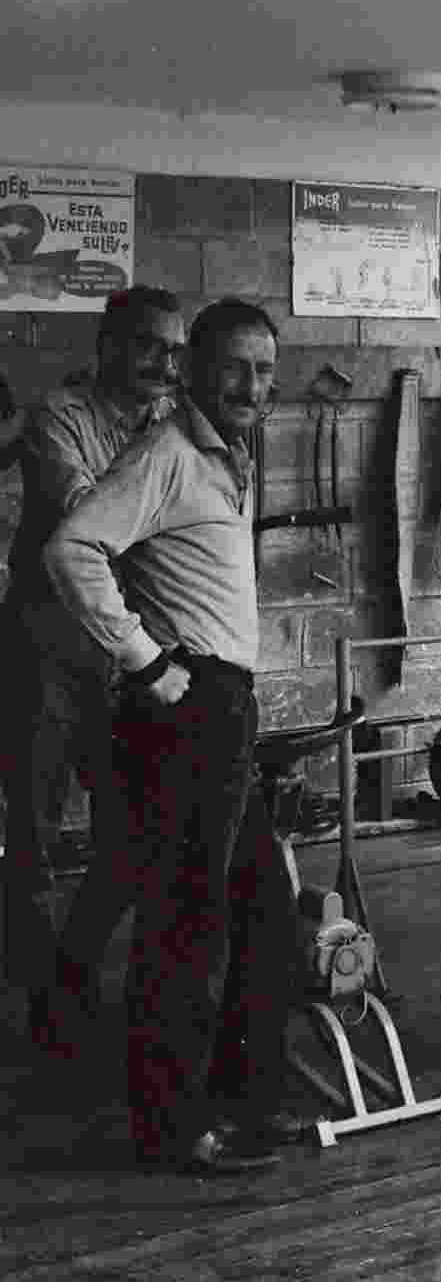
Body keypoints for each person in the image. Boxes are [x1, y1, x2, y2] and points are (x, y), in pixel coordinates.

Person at [44, 297, 300, 1174]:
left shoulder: (227, 454)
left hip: (226, 706)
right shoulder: (166, 453)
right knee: (189, 922)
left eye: (264, 370)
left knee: (264, 911)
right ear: (193, 367)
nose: (251, 385)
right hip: (185, 708)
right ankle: (172, 1123)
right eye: (233, 366)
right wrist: (147, 660)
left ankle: (243, 1100)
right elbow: (74, 547)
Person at [0, 287, 185, 1049]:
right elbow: (98, 526)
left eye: (175, 353)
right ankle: (42, 1003)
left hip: (121, 650)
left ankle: (67, 980)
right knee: (35, 834)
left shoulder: (166, 424)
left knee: (127, 829)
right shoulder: (60, 418)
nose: (163, 366)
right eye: (148, 348)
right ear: (110, 346)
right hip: (47, 647)